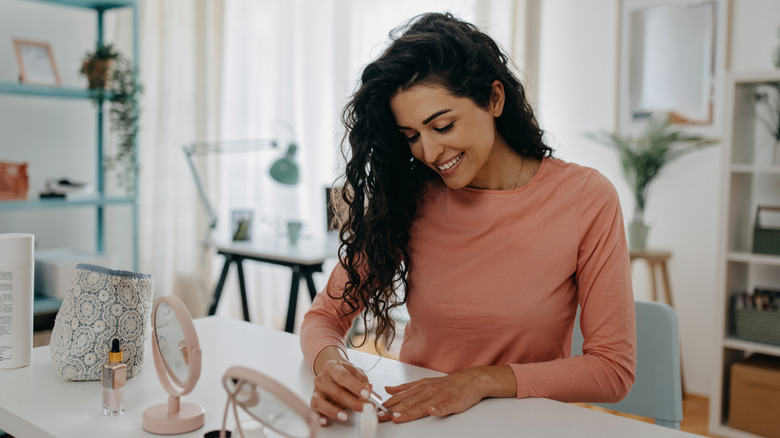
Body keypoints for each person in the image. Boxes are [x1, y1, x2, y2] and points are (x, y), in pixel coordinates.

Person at [300, 12, 636, 426]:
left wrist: (479, 381)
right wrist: (330, 365)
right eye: (411, 137)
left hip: (526, 425)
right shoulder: (410, 196)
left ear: (494, 99)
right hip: (419, 422)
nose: (428, 151)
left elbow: (612, 371)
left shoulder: (585, 198)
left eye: (443, 125)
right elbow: (325, 317)